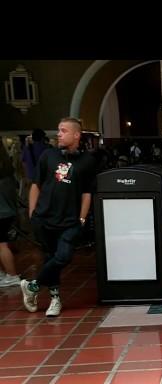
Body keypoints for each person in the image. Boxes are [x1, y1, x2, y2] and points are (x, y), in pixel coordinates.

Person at [20, 117, 95, 317]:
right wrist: (32, 214)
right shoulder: (48, 155)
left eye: (63, 131)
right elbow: (36, 184)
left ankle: (32, 286)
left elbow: (87, 193)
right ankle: (55, 299)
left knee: (63, 256)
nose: (59, 134)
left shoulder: (87, 160)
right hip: (44, 218)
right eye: (58, 131)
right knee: (49, 258)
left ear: (76, 135)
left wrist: (81, 219)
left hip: (70, 220)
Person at [0, 139, 21, 287]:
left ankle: (12, 275)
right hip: (8, 211)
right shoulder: (6, 169)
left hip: (1, 212)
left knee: (2, 245)